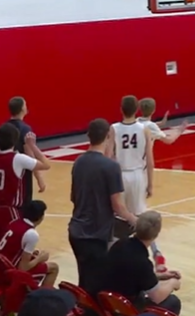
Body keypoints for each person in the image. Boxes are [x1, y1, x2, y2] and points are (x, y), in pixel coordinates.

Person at [69, 118, 137, 296]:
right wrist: (136, 220)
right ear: (108, 136)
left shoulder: (78, 162)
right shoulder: (111, 166)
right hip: (95, 235)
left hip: (76, 232)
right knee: (97, 288)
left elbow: (74, 198)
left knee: (84, 282)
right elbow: (118, 207)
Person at [106, 96, 164, 268]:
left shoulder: (114, 128)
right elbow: (150, 161)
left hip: (121, 175)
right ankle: (156, 254)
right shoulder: (144, 129)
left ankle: (115, 256)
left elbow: (108, 158)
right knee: (140, 218)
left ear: (121, 109)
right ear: (137, 110)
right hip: (139, 175)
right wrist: (151, 184)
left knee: (120, 218)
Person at [0, 124, 50, 251]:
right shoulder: (17, 158)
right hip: (8, 211)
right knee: (11, 250)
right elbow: (46, 165)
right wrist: (32, 146)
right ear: (15, 141)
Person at [103, 211, 182, 314]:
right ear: (156, 234)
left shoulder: (120, 244)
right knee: (173, 302)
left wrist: (160, 276)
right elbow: (157, 297)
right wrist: (172, 283)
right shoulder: (142, 261)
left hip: (110, 302)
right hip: (126, 307)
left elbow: (132, 275)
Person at [0, 200, 59, 287]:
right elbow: (23, 268)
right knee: (54, 267)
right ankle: (42, 298)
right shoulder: (31, 234)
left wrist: (30, 254)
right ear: (41, 217)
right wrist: (40, 258)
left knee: (33, 258)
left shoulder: (14, 222)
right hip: (8, 274)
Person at [6, 97, 46, 202]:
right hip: (22, 173)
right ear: (22, 109)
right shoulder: (25, 129)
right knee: (23, 204)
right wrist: (39, 178)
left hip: (7, 171)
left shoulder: (4, 127)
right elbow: (30, 154)